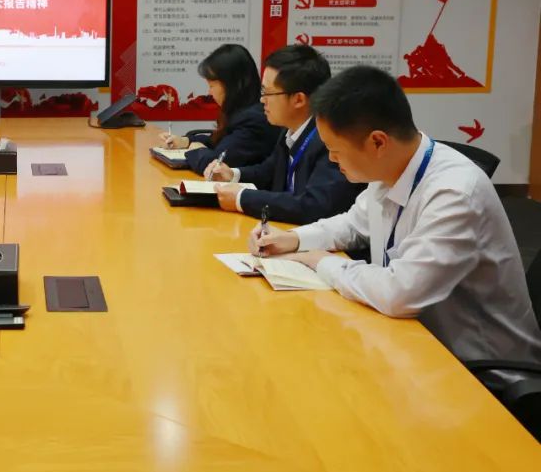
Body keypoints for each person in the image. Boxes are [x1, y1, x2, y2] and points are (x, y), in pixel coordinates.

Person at [251, 65, 541, 374]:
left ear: (378, 142)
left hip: (482, 370)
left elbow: (400, 293)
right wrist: (293, 239)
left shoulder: (455, 192)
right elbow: (352, 224)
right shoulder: (390, 167)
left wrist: (320, 260)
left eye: (335, 151)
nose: (332, 160)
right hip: (412, 342)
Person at [206, 45, 362, 223]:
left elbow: (314, 205)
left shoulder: (331, 140)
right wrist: (232, 174)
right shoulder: (290, 129)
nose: (262, 99)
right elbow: (268, 172)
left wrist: (241, 198)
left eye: (267, 92)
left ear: (298, 99)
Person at [159, 43, 278, 172]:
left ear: (231, 85)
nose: (209, 92)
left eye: (212, 86)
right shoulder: (242, 110)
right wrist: (185, 141)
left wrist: (197, 150)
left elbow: (215, 164)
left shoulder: (254, 120)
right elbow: (221, 141)